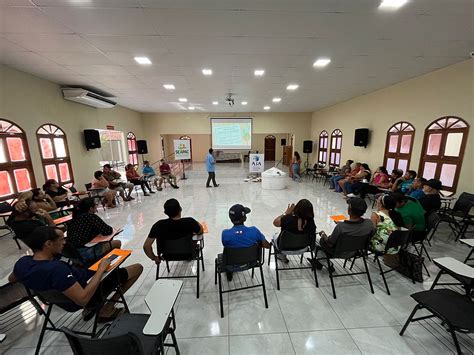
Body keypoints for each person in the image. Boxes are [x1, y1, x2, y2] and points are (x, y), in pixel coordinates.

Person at [9, 226, 143, 321]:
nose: (64, 242)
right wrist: (101, 270)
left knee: (104, 262)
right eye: (61, 240)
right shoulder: (56, 270)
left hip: (64, 293)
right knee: (137, 268)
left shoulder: (23, 263)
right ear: (48, 243)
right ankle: (106, 309)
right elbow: (82, 299)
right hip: (86, 296)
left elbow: (12, 279)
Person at [313, 197, 374, 270]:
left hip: (337, 252)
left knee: (314, 240)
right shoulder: (369, 223)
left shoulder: (341, 227)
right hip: (356, 252)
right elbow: (357, 229)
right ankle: (320, 263)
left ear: (349, 210)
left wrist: (323, 235)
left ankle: (326, 263)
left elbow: (330, 243)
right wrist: (344, 224)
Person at [143, 199, 203, 264]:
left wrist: (154, 258)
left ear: (165, 212)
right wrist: (196, 223)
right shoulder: (190, 222)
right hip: (189, 254)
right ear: (180, 209)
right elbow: (200, 232)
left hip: (167, 256)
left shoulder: (158, 225)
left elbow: (146, 246)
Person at [221, 204, 270, 280]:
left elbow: (226, 244)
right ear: (245, 218)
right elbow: (267, 246)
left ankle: (229, 272)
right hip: (251, 262)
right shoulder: (254, 231)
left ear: (231, 219)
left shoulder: (225, 234)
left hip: (231, 264)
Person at [67, 198, 122, 263]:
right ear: (91, 208)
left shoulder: (75, 218)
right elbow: (108, 230)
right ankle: (110, 266)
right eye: (95, 205)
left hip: (73, 254)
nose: (96, 206)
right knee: (117, 242)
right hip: (84, 253)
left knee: (104, 243)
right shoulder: (90, 216)